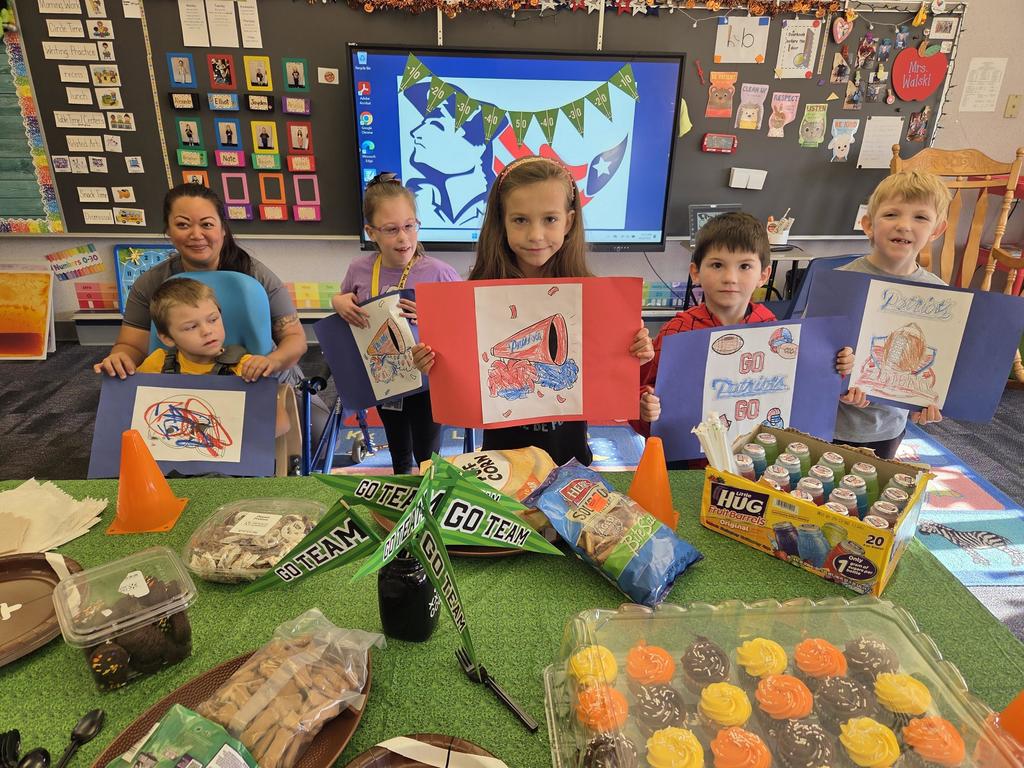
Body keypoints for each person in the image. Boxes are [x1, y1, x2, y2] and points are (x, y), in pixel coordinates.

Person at [412, 155, 656, 466]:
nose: (536, 235)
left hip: (570, 456)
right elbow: (461, 371)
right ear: (502, 221)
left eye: (550, 219)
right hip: (502, 460)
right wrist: (431, 361)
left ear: (568, 221)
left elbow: (607, 372)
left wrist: (635, 352)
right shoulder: (475, 292)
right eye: (520, 220)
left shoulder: (594, 296)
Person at [93, 183, 326, 435]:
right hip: (183, 378)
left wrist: (271, 362)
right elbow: (132, 346)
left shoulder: (256, 276)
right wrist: (120, 359)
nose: (196, 234)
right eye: (183, 225)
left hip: (255, 374)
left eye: (206, 224)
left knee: (317, 433)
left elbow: (294, 339)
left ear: (222, 229)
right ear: (168, 231)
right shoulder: (151, 283)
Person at [632, 212, 850, 467]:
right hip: (687, 463)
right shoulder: (677, 332)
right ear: (695, 272)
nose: (730, 278)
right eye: (717, 265)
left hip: (754, 463)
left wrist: (840, 369)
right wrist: (644, 409)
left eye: (744, 266)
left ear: (764, 275)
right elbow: (640, 393)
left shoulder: (775, 333)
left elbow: (807, 387)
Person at [332, 172, 459, 475]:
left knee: (428, 454)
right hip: (385, 378)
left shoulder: (440, 273)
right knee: (398, 448)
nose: (403, 238)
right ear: (371, 232)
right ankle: (402, 489)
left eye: (409, 226)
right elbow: (345, 298)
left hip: (428, 380)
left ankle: (431, 495)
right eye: (391, 230)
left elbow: (462, 326)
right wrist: (337, 302)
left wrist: (432, 318)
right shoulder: (360, 268)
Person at [832, 170, 950, 459]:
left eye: (920, 218)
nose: (904, 226)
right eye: (892, 214)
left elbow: (943, 367)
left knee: (871, 495)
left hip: (888, 427)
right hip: (830, 420)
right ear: (869, 224)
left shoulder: (942, 296)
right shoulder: (837, 282)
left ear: (936, 230)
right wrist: (836, 375)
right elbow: (809, 350)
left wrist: (928, 403)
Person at [138, 278, 288, 436]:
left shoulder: (246, 368)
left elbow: (281, 424)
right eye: (191, 327)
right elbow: (130, 410)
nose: (207, 331)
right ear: (167, 338)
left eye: (213, 320)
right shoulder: (156, 364)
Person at [403, 82, 494, 229]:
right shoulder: (415, 199)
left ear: (478, 147)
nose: (415, 132)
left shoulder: (497, 208)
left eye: (436, 126)